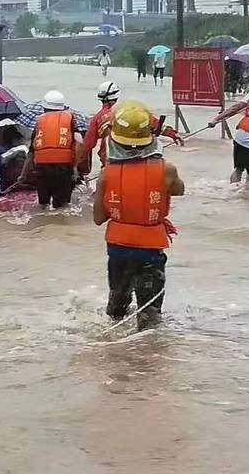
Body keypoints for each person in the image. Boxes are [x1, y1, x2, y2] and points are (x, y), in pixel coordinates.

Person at [93, 100, 184, 331]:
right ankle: (146, 360)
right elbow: (179, 190)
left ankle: (113, 350)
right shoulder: (167, 169)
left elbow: (98, 218)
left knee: (117, 305)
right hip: (150, 250)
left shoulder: (105, 175)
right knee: (150, 312)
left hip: (118, 249)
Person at [22, 90, 84, 209]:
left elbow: (31, 152)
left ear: (44, 107)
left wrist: (23, 175)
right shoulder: (70, 118)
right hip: (63, 167)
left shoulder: (39, 121)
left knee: (43, 204)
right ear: (62, 107)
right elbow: (79, 140)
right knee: (62, 206)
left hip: (42, 168)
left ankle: (43, 226)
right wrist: (75, 167)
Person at [81, 81, 121, 169]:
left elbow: (88, 145)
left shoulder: (97, 118)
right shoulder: (131, 112)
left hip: (109, 162)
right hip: (135, 160)